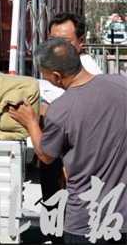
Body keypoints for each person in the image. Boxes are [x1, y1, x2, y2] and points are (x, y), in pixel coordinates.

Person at [9, 38, 127, 244]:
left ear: (56, 76)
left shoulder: (61, 109)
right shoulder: (121, 84)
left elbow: (45, 155)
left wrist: (30, 122)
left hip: (86, 222)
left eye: (44, 75)